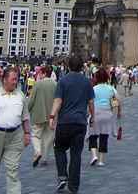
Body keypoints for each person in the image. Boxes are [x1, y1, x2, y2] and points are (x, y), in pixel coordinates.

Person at [50, 54, 95, 193]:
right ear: (82, 67)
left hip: (64, 122)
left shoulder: (63, 81)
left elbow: (58, 100)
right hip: (80, 123)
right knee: (76, 155)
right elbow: (91, 102)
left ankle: (62, 176)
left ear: (68, 66)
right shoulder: (86, 82)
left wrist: (52, 116)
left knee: (59, 148)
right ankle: (73, 186)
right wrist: (93, 117)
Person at [0, 66, 31, 194]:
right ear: (4, 80)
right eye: (13, 79)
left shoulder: (20, 95)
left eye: (16, 79)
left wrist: (27, 133)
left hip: (15, 136)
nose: (15, 82)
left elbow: (25, 116)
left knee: (13, 170)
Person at [88, 67, 120, 167]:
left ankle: (94, 155)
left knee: (92, 135)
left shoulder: (93, 89)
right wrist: (117, 112)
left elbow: (89, 102)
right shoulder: (111, 89)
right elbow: (115, 103)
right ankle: (101, 160)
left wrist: (89, 113)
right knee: (104, 136)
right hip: (107, 114)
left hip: (95, 113)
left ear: (96, 78)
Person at [28, 64, 56, 168]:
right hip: (52, 115)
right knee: (48, 137)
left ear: (43, 73)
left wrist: (27, 110)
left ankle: (38, 151)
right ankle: (44, 157)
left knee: (36, 135)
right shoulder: (55, 84)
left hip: (38, 113)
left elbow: (31, 100)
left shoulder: (38, 84)